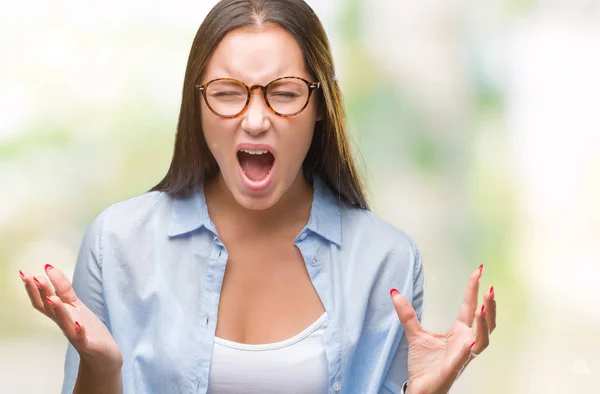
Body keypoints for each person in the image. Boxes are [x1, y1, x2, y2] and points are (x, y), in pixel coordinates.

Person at [19, 0, 496, 393]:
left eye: (284, 94)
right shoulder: (117, 243)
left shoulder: (385, 260)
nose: (254, 119)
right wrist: (101, 369)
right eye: (228, 92)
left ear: (320, 108)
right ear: (197, 104)